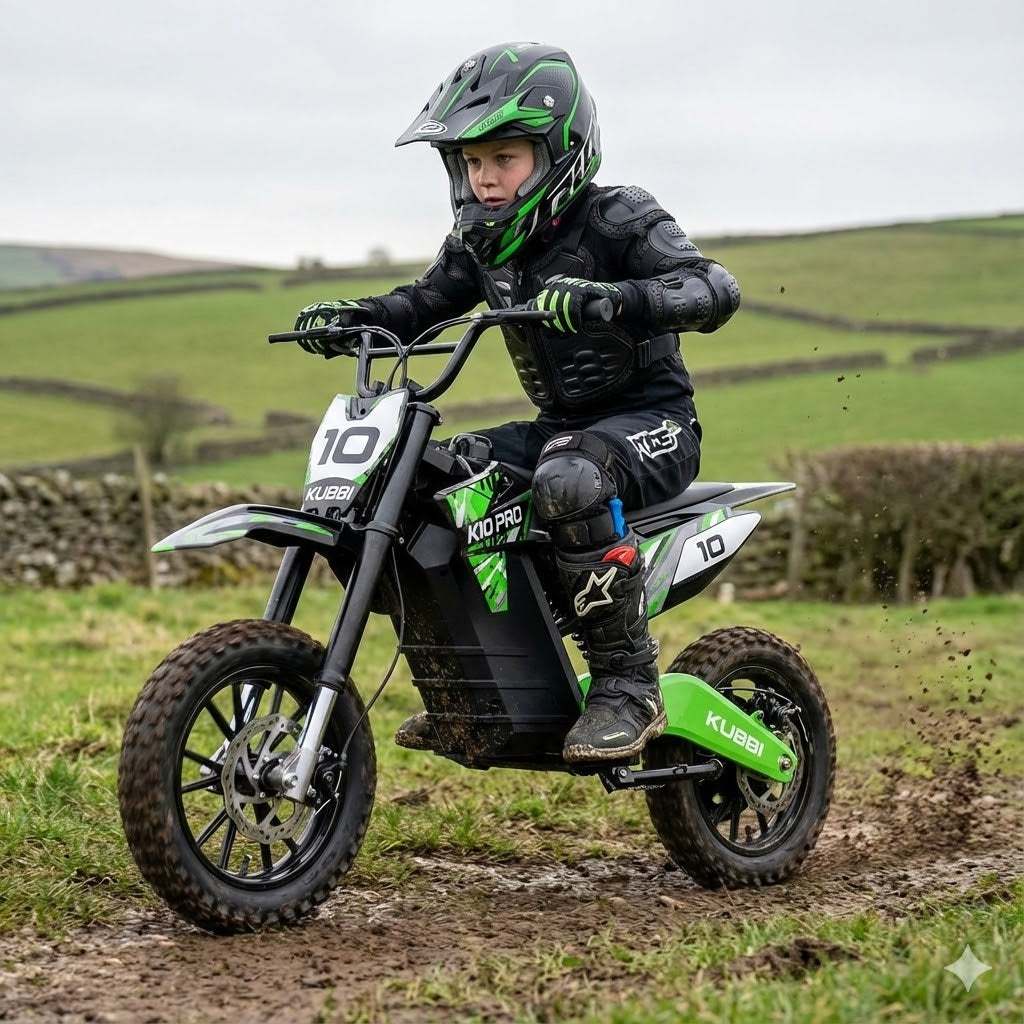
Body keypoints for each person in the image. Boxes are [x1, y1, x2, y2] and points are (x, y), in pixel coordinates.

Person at [293, 42, 740, 763]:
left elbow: (713, 288)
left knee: (570, 477)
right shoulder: (481, 240)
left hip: (652, 425)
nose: (486, 179)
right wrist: (357, 314)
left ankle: (629, 686)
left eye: (504, 158)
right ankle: (468, 686)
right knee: (427, 482)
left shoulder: (619, 217)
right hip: (560, 429)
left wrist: (614, 300)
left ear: (558, 150)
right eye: (472, 163)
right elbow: (424, 302)